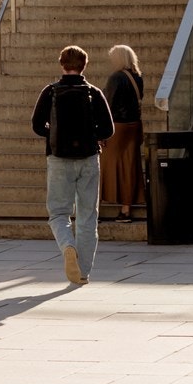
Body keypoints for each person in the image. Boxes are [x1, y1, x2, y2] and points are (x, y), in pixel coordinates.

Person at [33, 46, 115, 285]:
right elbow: (109, 129)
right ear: (84, 65)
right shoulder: (94, 92)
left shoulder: (50, 92)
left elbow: (37, 125)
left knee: (58, 213)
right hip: (89, 158)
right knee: (88, 215)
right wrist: (92, 135)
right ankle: (83, 271)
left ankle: (68, 245)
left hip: (58, 158)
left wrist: (54, 133)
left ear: (61, 64)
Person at [101, 45, 145, 223]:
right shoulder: (137, 77)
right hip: (133, 126)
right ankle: (126, 209)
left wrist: (101, 131)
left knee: (104, 166)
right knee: (129, 166)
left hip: (117, 127)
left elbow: (107, 105)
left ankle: (95, 209)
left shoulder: (116, 78)